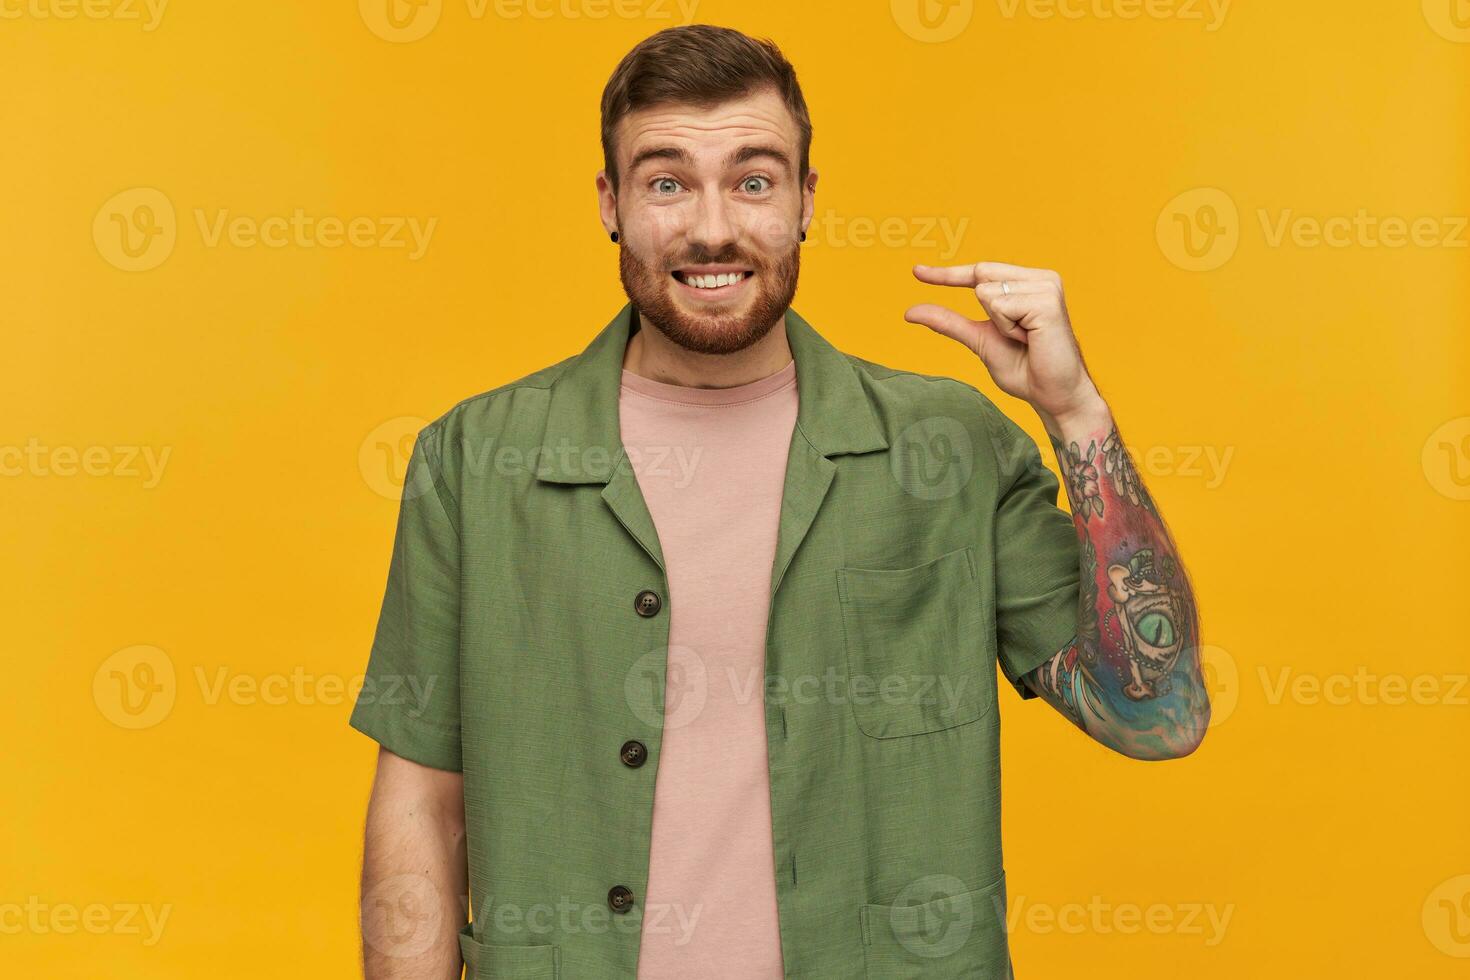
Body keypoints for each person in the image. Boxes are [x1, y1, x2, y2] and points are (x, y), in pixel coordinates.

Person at [350, 23, 1210, 980]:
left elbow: (1160, 716)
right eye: (667, 181)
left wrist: (1075, 411)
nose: (712, 227)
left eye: (754, 180)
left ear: (806, 201)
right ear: (611, 204)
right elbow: (422, 802)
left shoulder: (947, 451)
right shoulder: (475, 462)